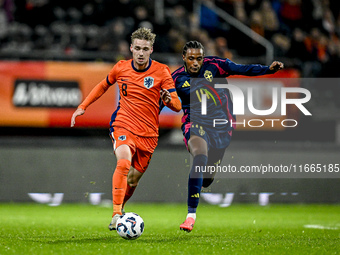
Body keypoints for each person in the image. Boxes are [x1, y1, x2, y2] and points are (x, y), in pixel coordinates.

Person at [71, 27, 181, 230]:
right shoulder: (121, 67)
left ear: (151, 50)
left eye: (145, 49)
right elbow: (103, 86)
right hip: (123, 124)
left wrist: (169, 99)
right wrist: (82, 106)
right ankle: (116, 214)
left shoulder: (162, 71)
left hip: (148, 134)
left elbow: (177, 105)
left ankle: (120, 207)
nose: (140, 53)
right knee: (123, 162)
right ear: (131, 48)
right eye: (137, 48)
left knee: (132, 179)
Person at [172, 41, 284, 232]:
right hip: (195, 122)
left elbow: (242, 69)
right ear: (184, 58)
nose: (195, 63)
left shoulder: (215, 65)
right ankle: (191, 215)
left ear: (203, 57)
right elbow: (163, 99)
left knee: (207, 179)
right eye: (191, 59)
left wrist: (268, 70)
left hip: (221, 126)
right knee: (200, 156)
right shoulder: (176, 77)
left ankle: (201, 183)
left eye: (199, 58)